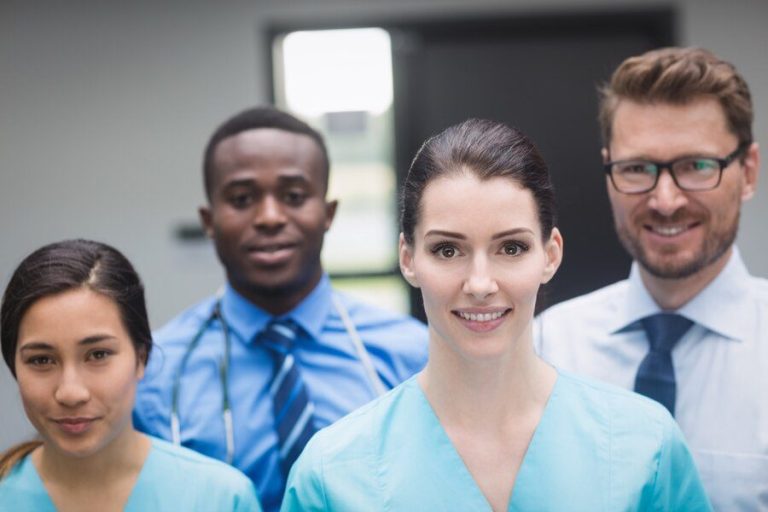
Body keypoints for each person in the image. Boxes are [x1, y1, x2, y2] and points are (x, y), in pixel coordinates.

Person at [282, 118, 711, 511]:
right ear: (408, 258)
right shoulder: (332, 473)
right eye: (447, 250)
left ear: (550, 254)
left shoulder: (644, 447)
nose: (480, 284)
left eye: (511, 248)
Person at [133, 106, 428, 512]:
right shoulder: (159, 372)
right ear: (208, 221)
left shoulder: (412, 354)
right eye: (241, 199)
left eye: (293, 196)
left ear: (328, 214)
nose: (269, 217)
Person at [534, 47, 765, 510]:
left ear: (748, 172)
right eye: (637, 169)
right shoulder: (548, 347)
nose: (665, 200)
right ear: (609, 172)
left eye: (696, 166)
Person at [0, 239, 260, 512]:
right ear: (13, 366)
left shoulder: (219, 499)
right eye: (41, 360)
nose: (71, 392)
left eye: (98, 355)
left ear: (141, 357)